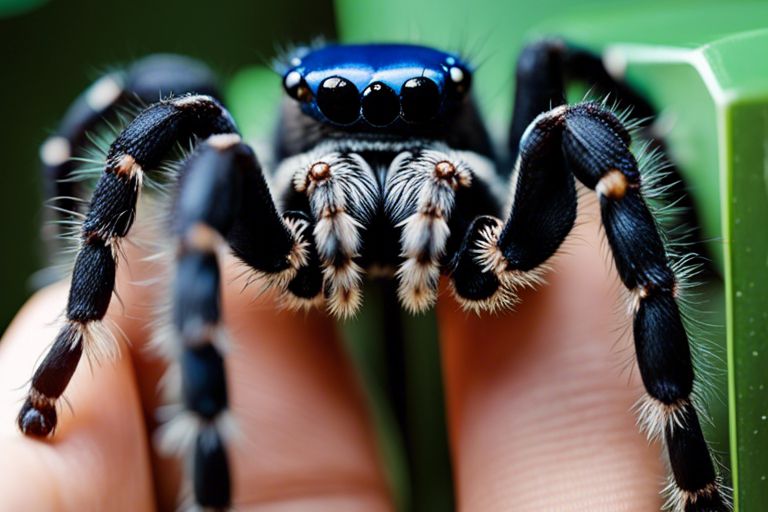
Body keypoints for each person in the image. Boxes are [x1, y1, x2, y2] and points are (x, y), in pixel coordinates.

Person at [0, 197, 664, 511]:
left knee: (577, 123)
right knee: (188, 126)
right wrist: (81, 322)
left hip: (478, 247)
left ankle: (690, 483)